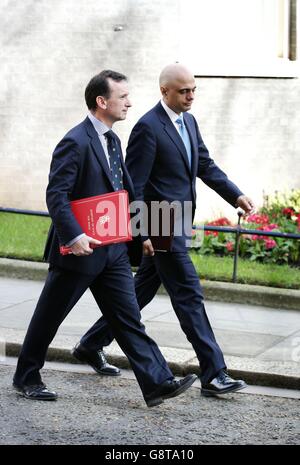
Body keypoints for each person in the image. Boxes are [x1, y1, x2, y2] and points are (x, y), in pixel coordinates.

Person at [12, 70, 198, 407]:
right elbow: (57, 195)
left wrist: (141, 233)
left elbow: (125, 191)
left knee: (129, 319)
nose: (129, 102)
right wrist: (76, 235)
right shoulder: (75, 141)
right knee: (49, 317)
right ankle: (26, 376)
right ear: (102, 101)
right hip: (79, 251)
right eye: (123, 96)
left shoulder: (113, 139)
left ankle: (157, 383)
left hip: (112, 251)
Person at [73, 64, 255, 397]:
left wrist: (235, 194)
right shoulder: (148, 127)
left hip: (180, 219)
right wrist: (142, 231)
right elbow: (134, 185)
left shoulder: (189, 121)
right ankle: (214, 373)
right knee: (189, 295)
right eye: (184, 91)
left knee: (139, 292)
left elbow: (203, 163)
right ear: (164, 91)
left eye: (193, 90)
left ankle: (91, 343)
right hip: (158, 223)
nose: (190, 96)